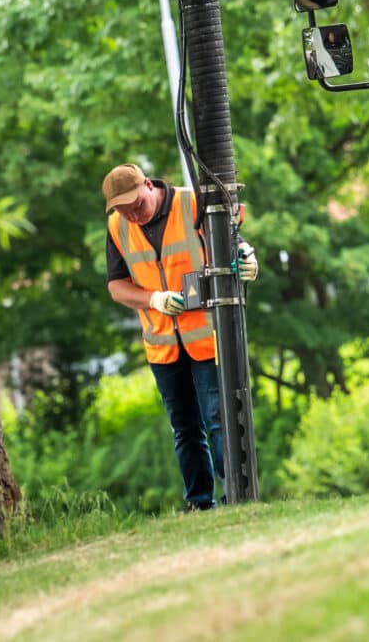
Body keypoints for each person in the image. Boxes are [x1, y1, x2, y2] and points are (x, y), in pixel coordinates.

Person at [102, 163, 257, 510]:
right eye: (124, 211)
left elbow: (237, 246)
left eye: (136, 206)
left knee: (218, 420)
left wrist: (248, 260)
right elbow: (116, 287)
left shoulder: (194, 204)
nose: (133, 216)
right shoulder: (117, 227)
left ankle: (236, 496)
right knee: (185, 429)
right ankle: (199, 503)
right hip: (162, 345)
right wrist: (153, 299)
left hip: (205, 338)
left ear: (148, 185)